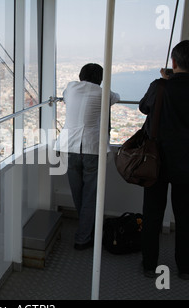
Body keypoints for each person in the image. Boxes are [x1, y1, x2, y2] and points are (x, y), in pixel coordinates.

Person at [139, 40, 189, 279]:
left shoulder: (159, 87)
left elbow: (144, 108)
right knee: (186, 217)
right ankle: (185, 268)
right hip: (188, 163)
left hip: (156, 161)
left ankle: (149, 265)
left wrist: (166, 80)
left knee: (152, 214)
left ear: (173, 62)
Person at [55, 63, 120, 250]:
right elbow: (116, 97)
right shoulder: (104, 93)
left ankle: (85, 229)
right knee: (90, 195)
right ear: (101, 79)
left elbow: (67, 98)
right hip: (92, 148)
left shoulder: (71, 87)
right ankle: (83, 237)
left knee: (78, 192)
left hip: (68, 147)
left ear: (80, 75)